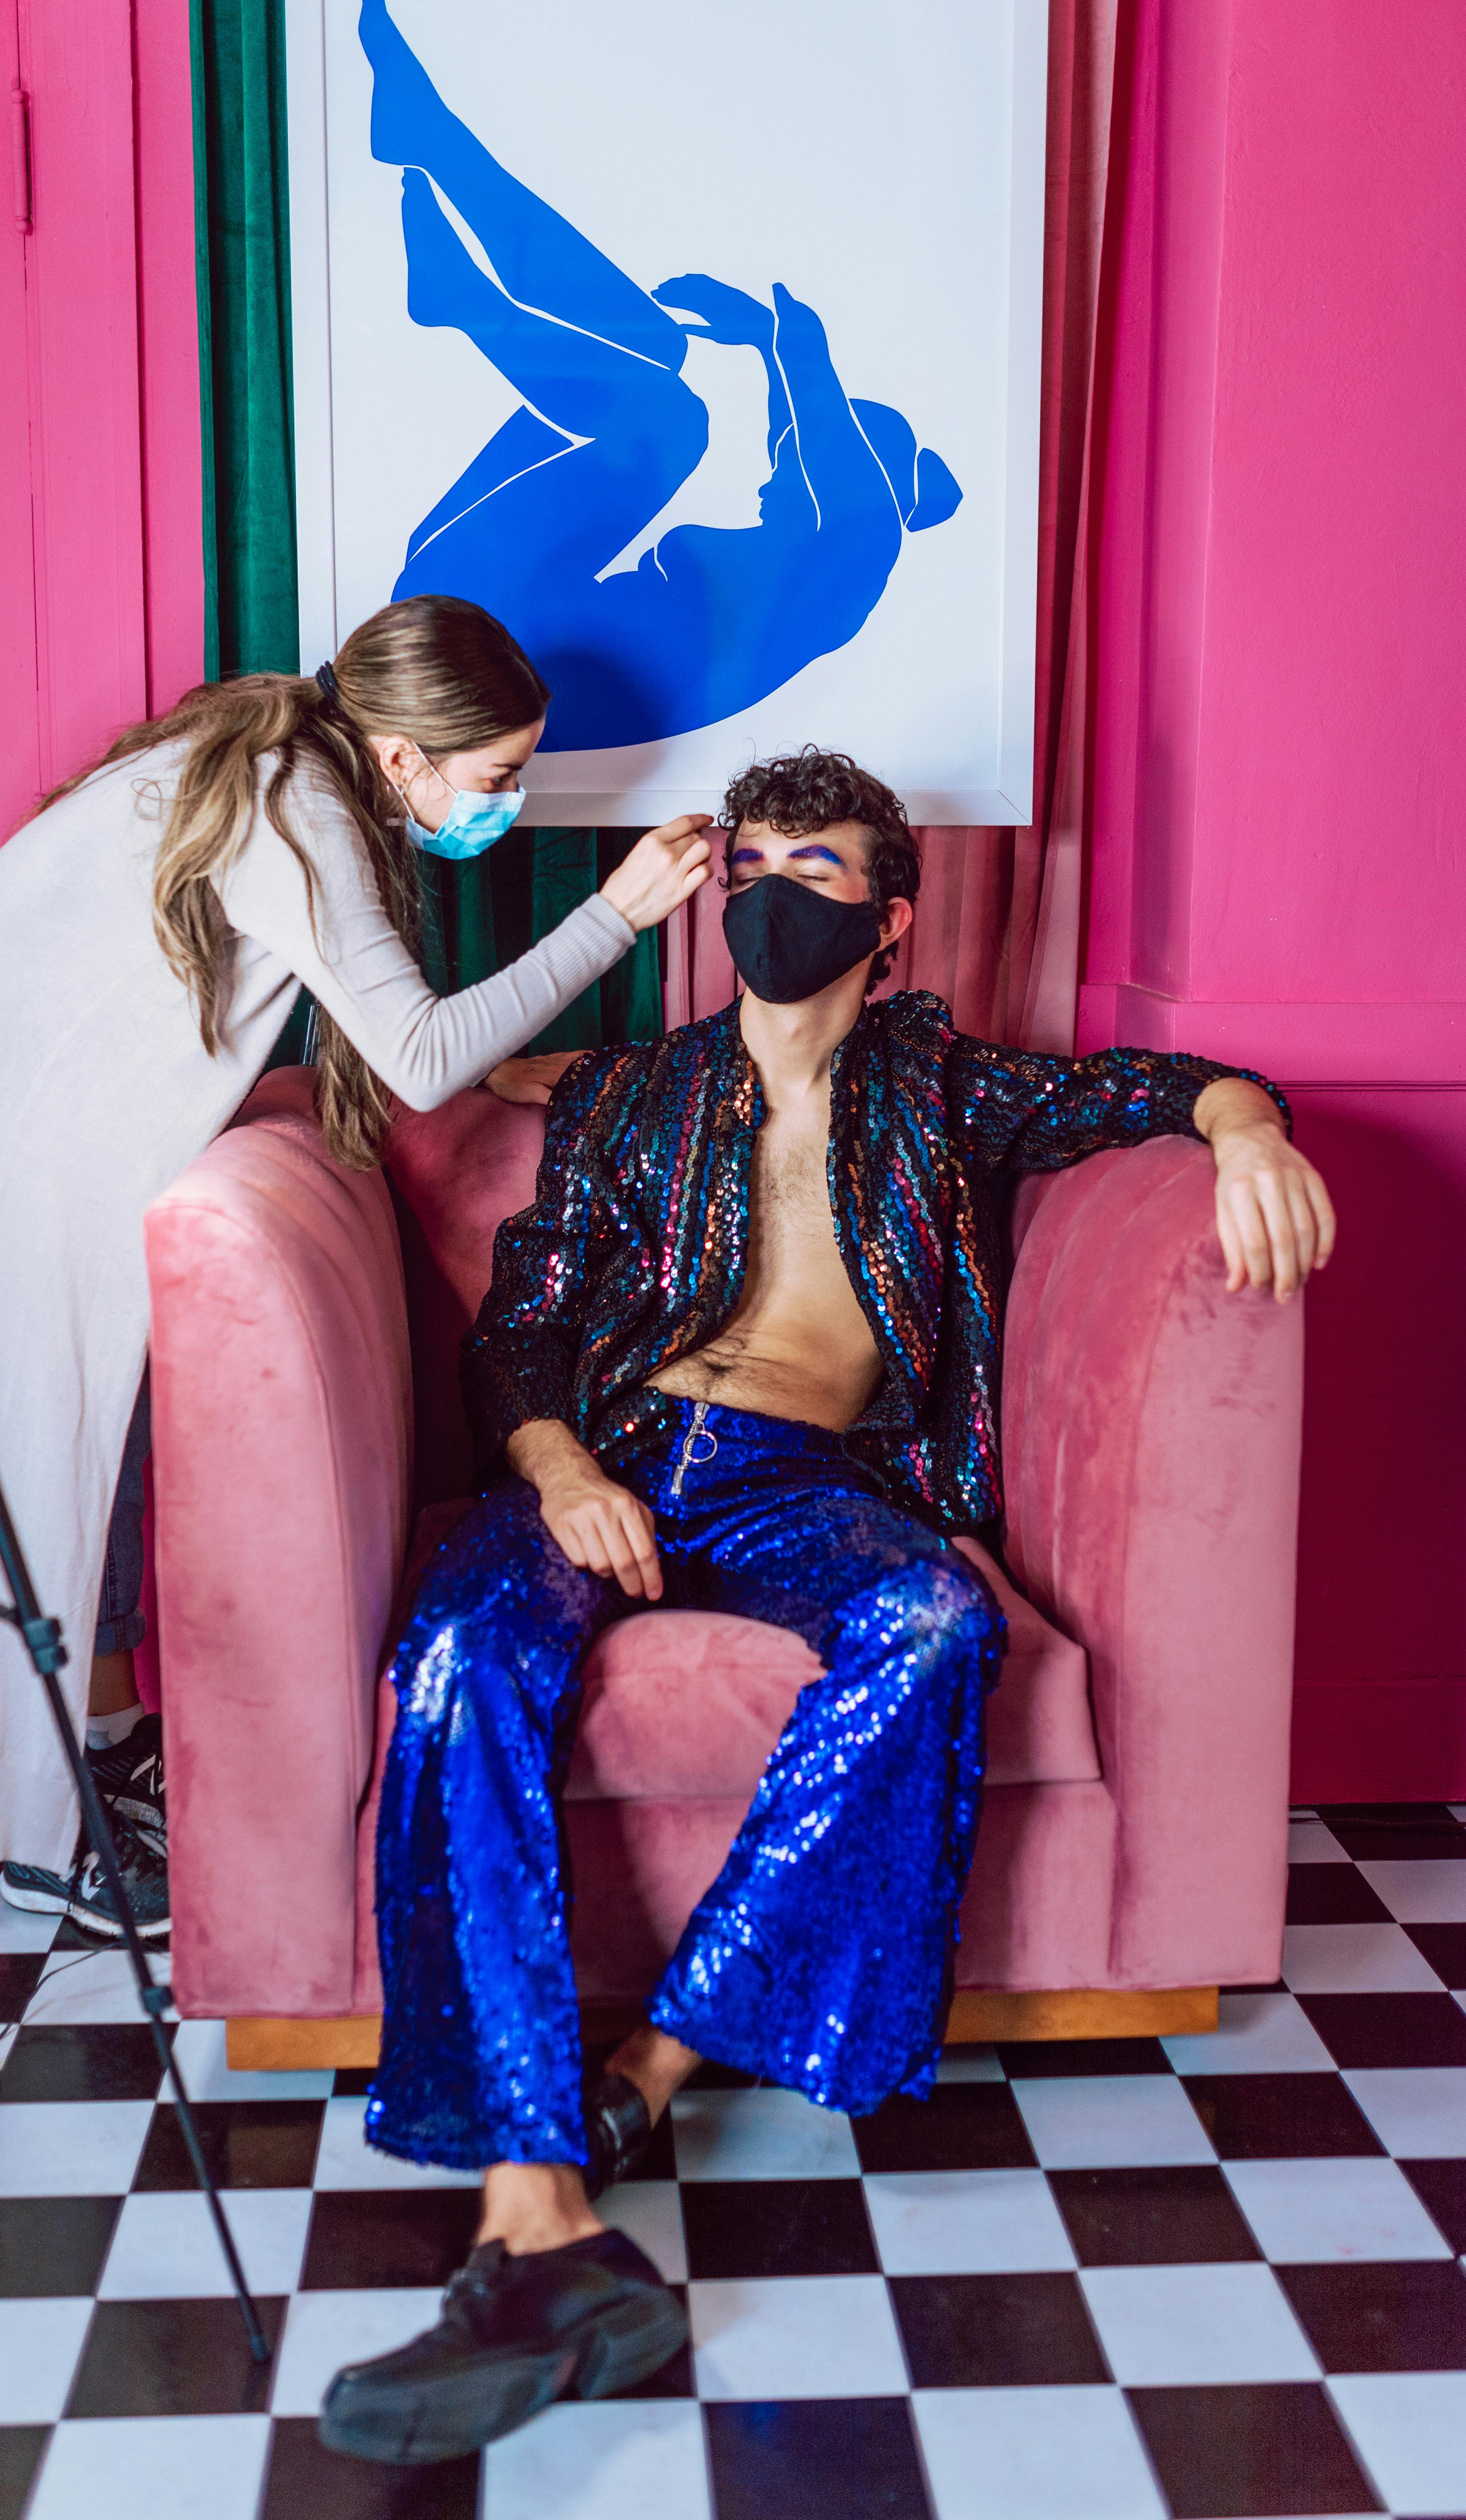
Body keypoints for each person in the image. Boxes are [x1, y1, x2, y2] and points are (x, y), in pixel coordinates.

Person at [319, 746, 1336, 2466]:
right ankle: (536, 2205)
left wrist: (1247, 1123)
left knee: (940, 1628)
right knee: (455, 1656)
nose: (773, 893)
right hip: (613, 1454)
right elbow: (523, 1327)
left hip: (808, 1481)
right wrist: (564, 1472)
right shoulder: (627, 1092)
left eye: (817, 865)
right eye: (755, 863)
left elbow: (1156, 1085)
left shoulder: (948, 1087)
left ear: (889, 913)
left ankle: (639, 2076)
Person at [0, 594, 711, 1937]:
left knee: (95, 1444)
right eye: (494, 778)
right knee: (47, 1457)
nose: (504, 803)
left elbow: (371, 1020)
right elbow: (415, 1056)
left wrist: (491, 1049)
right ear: (403, 758)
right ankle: (35, 1845)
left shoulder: (286, 765)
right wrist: (616, 911)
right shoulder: (296, 802)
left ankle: (98, 1742)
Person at [361, 0, 961, 750]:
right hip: (470, 611)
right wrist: (762, 349)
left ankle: (458, 259)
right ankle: (439, 169)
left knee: (668, 419)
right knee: (649, 354)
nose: (771, 478)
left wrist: (786, 342)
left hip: (465, 638)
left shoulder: (858, 555)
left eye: (790, 463)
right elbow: (814, 446)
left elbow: (832, 458)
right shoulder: (816, 568)